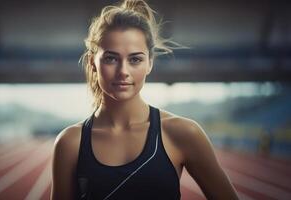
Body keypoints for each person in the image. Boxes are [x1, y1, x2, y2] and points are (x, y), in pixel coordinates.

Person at [51, 0, 239, 199]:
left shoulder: (183, 133)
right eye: (111, 58)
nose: (123, 71)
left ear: (150, 62)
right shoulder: (70, 143)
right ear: (93, 62)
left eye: (135, 59)